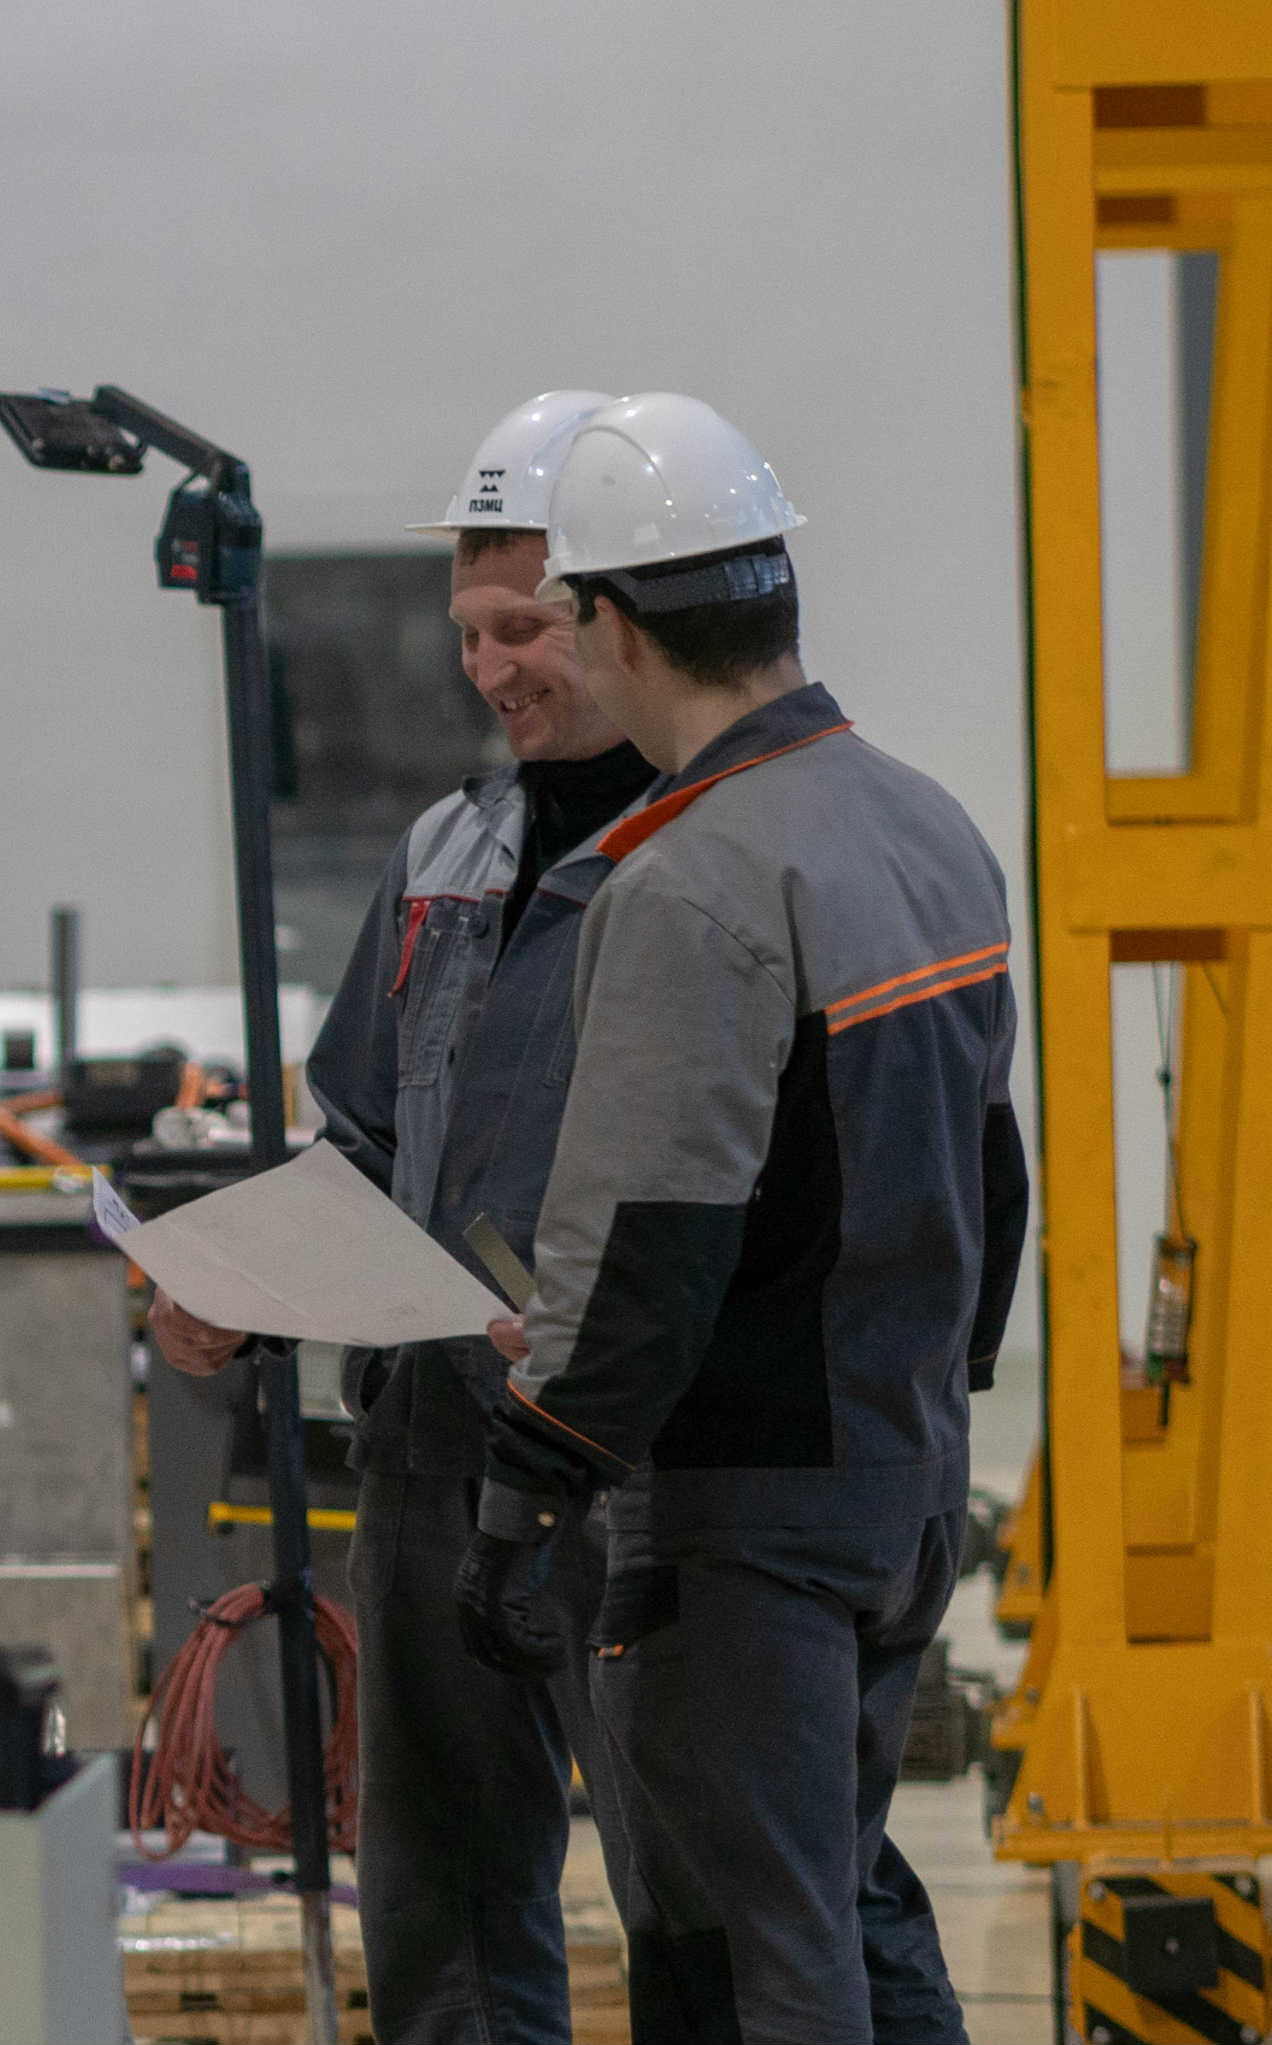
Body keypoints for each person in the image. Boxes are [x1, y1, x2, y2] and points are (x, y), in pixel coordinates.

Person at [460, 394, 1024, 2045]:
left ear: (618, 624)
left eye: (563, 619)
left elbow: (651, 1234)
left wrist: (533, 1479)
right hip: (898, 1478)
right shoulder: (921, 825)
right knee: (833, 1913)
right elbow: (988, 1170)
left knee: (746, 1961)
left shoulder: (692, 881)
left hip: (745, 1519)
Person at [146, 391, 660, 2044]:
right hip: (434, 1458)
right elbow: (363, 1133)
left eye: (527, 627)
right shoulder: (445, 851)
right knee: (441, 1901)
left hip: (634, 1468)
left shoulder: (720, 858)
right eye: (470, 631)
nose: (491, 664)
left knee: (698, 1895)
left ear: (623, 614)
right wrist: (238, 1282)